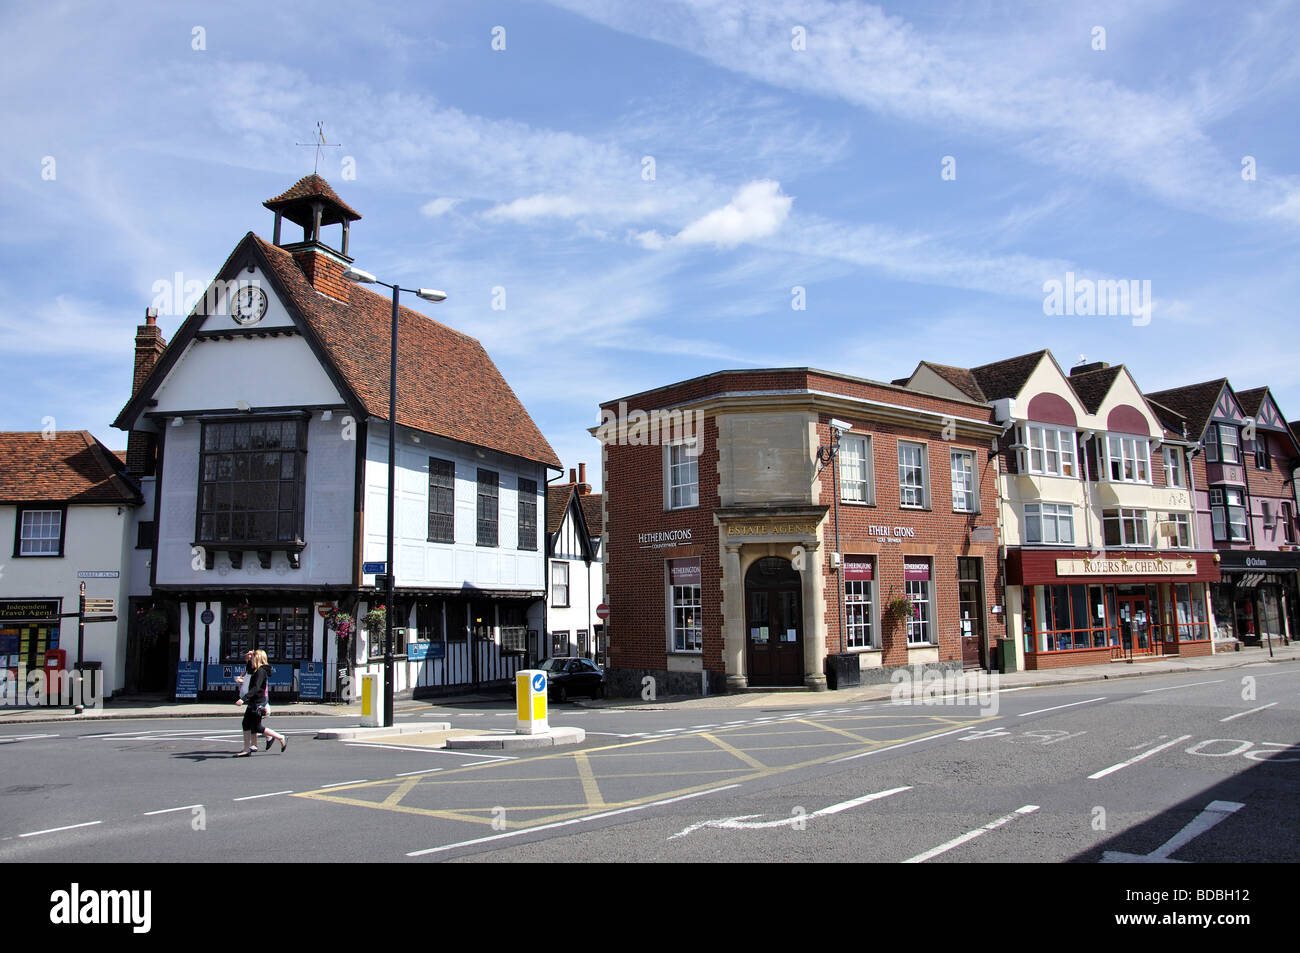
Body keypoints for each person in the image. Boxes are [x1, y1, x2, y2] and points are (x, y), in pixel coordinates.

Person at [234, 649, 287, 756]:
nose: (251, 660)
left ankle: (280, 737)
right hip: (254, 701)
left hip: (258, 702)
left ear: (258, 659)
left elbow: (256, 687)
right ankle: (246, 749)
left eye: (253, 658)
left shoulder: (261, 672)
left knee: (257, 727)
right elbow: (249, 669)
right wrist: (248, 658)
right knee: (246, 723)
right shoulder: (256, 670)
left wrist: (243, 699)